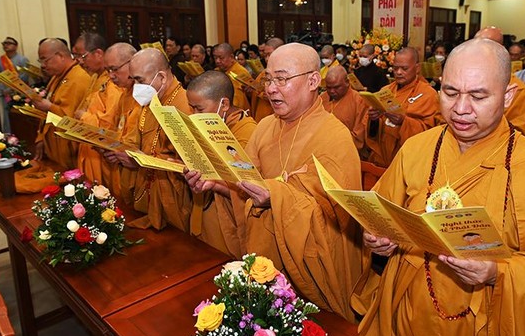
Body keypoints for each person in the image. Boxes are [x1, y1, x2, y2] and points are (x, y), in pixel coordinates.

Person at [352, 38, 525, 336]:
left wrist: (498, 273)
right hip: (408, 314)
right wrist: (377, 239)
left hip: (489, 326)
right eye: (450, 92)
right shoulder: (416, 148)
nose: (460, 109)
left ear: (507, 97)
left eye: (478, 96)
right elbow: (381, 214)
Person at [185, 43, 362, 321]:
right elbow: (246, 184)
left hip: (309, 267)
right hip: (264, 258)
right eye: (268, 79)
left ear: (313, 81)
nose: (270, 89)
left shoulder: (335, 137)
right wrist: (216, 183)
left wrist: (277, 196)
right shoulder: (265, 126)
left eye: (282, 79)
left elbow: (339, 217)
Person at [112, 48, 191, 231]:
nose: (136, 86)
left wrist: (143, 160)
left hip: (174, 200)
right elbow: (136, 137)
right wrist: (128, 153)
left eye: (140, 80)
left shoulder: (185, 105)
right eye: (133, 80)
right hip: (147, 192)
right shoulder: (151, 100)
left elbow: (189, 163)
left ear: (161, 77)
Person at [184, 70, 257, 256]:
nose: (193, 115)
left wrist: (215, 184)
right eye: (191, 108)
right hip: (203, 212)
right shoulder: (209, 126)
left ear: (224, 104)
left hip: (227, 222)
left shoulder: (247, 132)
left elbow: (248, 188)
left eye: (199, 109)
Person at [365, 48, 439, 167]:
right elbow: (373, 133)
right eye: (395, 68)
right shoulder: (385, 90)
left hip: (408, 161)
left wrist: (403, 122)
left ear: (417, 68)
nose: (398, 72)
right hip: (381, 159)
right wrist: (373, 119)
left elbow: (431, 133)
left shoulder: (428, 94)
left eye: (404, 69)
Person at [33, 38, 91, 169]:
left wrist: (48, 107)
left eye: (45, 60)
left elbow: (73, 118)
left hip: (69, 150)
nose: (43, 65)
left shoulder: (79, 78)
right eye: (40, 61)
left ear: (60, 56)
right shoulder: (57, 76)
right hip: (53, 146)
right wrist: (41, 137)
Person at [72, 33, 123, 184]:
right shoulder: (96, 77)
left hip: (103, 153)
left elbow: (110, 124)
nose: (79, 61)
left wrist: (83, 117)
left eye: (82, 56)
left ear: (98, 53)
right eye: (76, 56)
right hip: (89, 146)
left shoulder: (113, 84)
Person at [97, 42, 138, 197]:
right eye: (108, 70)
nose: (111, 75)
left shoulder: (147, 95)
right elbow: (116, 129)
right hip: (123, 171)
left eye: (115, 69)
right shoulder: (125, 94)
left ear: (133, 62)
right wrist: (107, 147)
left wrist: (135, 159)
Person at [475, 27, 525, 134]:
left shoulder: (517, 89)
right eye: (475, 46)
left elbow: (516, 131)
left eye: (486, 46)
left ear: (500, 49)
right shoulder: (460, 80)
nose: (479, 51)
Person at [320, 65, 369, 151]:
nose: (332, 91)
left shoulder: (359, 101)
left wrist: (333, 141)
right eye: (328, 87)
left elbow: (358, 137)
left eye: (336, 87)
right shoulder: (321, 99)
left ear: (347, 82)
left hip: (345, 150)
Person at [0, 36, 30, 133]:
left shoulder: (23, 60)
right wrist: (3, 91)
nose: (6, 45)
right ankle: (9, 135)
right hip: (6, 93)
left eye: (9, 43)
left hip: (21, 92)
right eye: (4, 43)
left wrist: (13, 88)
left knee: (22, 113)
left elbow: (25, 75)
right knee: (7, 114)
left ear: (16, 46)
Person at [250, 37, 284, 122]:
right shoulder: (263, 73)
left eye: (270, 55)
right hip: (260, 118)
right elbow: (256, 92)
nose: (267, 59)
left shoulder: (287, 74)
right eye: (265, 55)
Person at [213, 42, 252, 111]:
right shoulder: (216, 72)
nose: (217, 61)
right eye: (215, 58)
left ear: (231, 57)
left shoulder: (241, 72)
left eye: (221, 58)